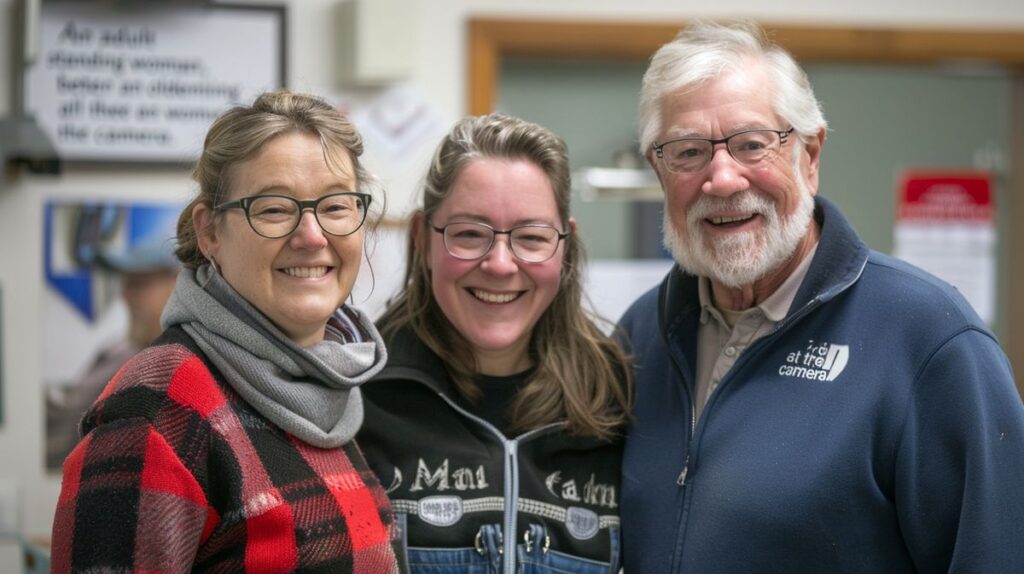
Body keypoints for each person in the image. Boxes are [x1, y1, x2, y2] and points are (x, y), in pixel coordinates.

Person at [617, 20, 1024, 573]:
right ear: (658, 171)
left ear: (809, 154)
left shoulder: (930, 341)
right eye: (688, 152)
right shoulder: (644, 335)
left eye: (752, 144)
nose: (722, 179)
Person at [51, 90, 402, 573]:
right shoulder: (159, 404)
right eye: (274, 209)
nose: (313, 236)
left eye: (337, 206)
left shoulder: (329, 382)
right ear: (210, 232)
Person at [358, 113, 632, 573]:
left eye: (531, 237)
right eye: (469, 234)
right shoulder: (356, 399)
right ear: (423, 239)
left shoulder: (618, 402)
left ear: (565, 247)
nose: (501, 265)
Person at [47, 230, 180, 468]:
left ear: (177, 283)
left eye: (139, 284)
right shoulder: (118, 353)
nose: (126, 296)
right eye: (126, 284)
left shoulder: (183, 371)